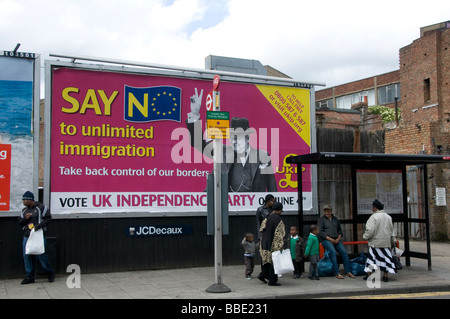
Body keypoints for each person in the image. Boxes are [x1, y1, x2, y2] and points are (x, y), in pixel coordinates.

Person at [185, 88, 277, 193]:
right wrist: (194, 114)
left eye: (238, 137)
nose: (234, 141)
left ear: (248, 138)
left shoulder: (262, 155)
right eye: (232, 137)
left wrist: (274, 207)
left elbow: (271, 186)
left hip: (254, 207)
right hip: (226, 204)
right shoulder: (222, 151)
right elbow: (198, 143)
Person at [17, 191, 55, 284]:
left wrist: (37, 226)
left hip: (38, 234)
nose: (23, 202)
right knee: (26, 255)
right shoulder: (24, 210)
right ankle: (29, 276)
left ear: (30, 199)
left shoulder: (41, 207)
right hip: (27, 235)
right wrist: (25, 219)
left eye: (24, 200)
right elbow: (19, 222)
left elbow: (48, 219)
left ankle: (49, 272)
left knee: (41, 254)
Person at [318, 205, 356, 279]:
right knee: (333, 252)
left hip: (336, 238)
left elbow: (340, 230)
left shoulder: (335, 219)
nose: (327, 212)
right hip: (326, 239)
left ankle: (348, 271)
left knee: (344, 253)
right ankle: (337, 272)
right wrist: (329, 238)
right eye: (325, 211)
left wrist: (338, 238)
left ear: (331, 211)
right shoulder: (321, 220)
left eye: (328, 211)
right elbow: (321, 232)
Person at [363, 199, 397, 282]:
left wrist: (365, 236)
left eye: (372, 207)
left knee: (371, 260)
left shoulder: (373, 217)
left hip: (375, 243)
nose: (372, 209)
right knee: (385, 260)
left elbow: (370, 230)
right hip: (386, 243)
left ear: (375, 208)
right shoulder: (388, 217)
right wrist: (393, 241)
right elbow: (392, 231)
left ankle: (369, 276)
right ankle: (385, 276)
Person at [258, 202, 285, 286]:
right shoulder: (278, 219)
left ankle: (262, 275)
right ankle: (272, 281)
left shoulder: (267, 217)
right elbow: (279, 234)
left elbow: (261, 229)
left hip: (264, 242)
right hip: (272, 243)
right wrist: (280, 245)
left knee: (266, 261)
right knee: (274, 262)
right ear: (280, 210)